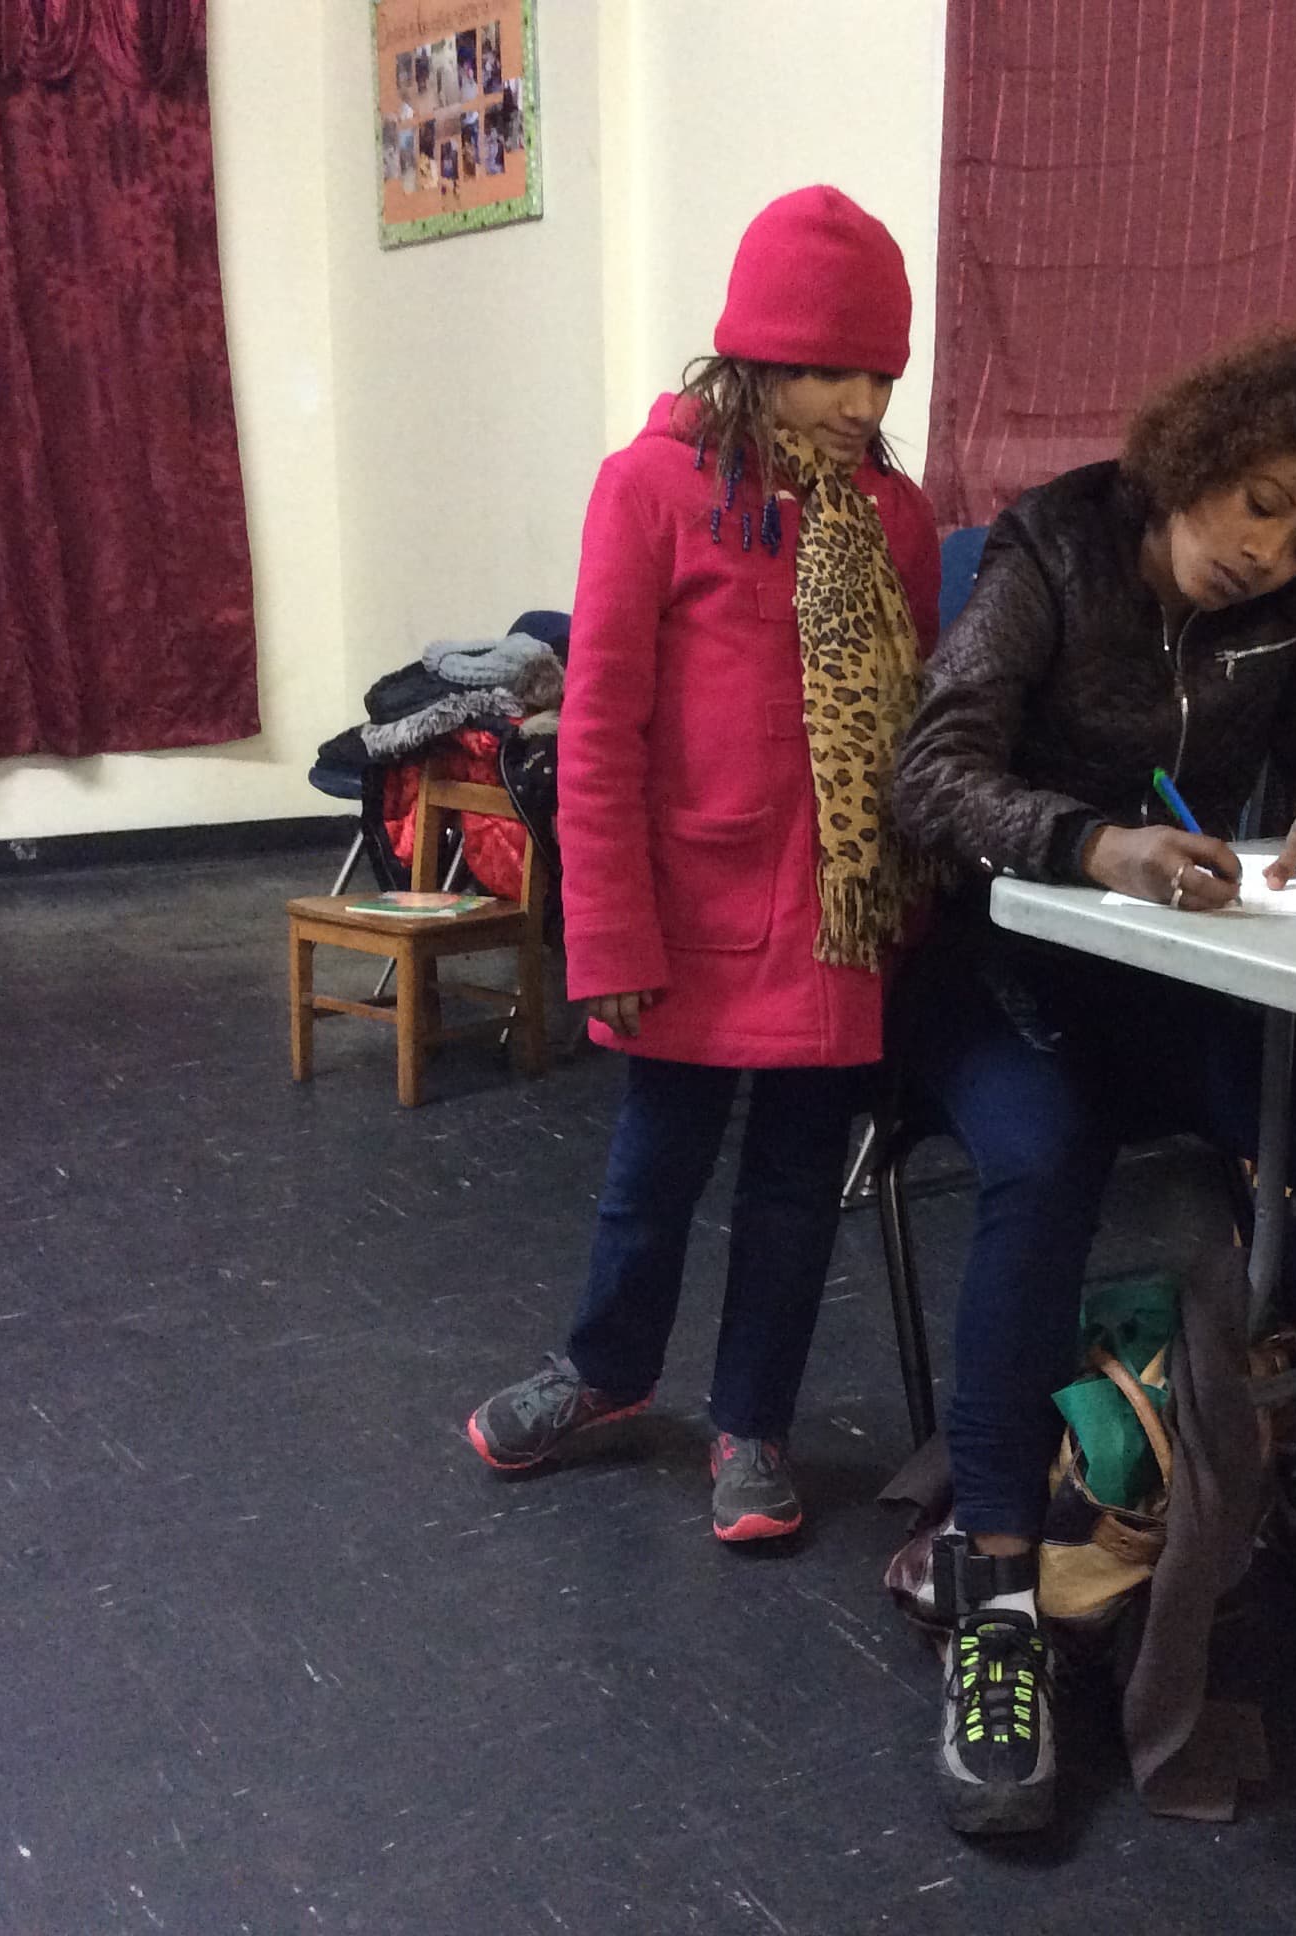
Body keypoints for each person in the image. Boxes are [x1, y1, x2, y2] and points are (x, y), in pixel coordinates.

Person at [890, 330, 1296, 1833]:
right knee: (1046, 1156)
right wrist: (1089, 840)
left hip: (1159, 967)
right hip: (995, 962)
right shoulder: (1050, 551)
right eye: (1257, 503)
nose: (1271, 553)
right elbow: (930, 774)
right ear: (1194, 457)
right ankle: (996, 1586)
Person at [466, 187, 942, 1545]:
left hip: (837, 925)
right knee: (651, 1170)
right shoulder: (649, 490)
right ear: (760, 356)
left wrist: (898, 920)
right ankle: (608, 1372)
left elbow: (900, 734)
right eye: (834, 367)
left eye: (882, 373)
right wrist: (605, 937)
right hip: (687, 911)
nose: (862, 397)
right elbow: (600, 732)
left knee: (795, 1195)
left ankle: (753, 1424)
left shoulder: (892, 519)